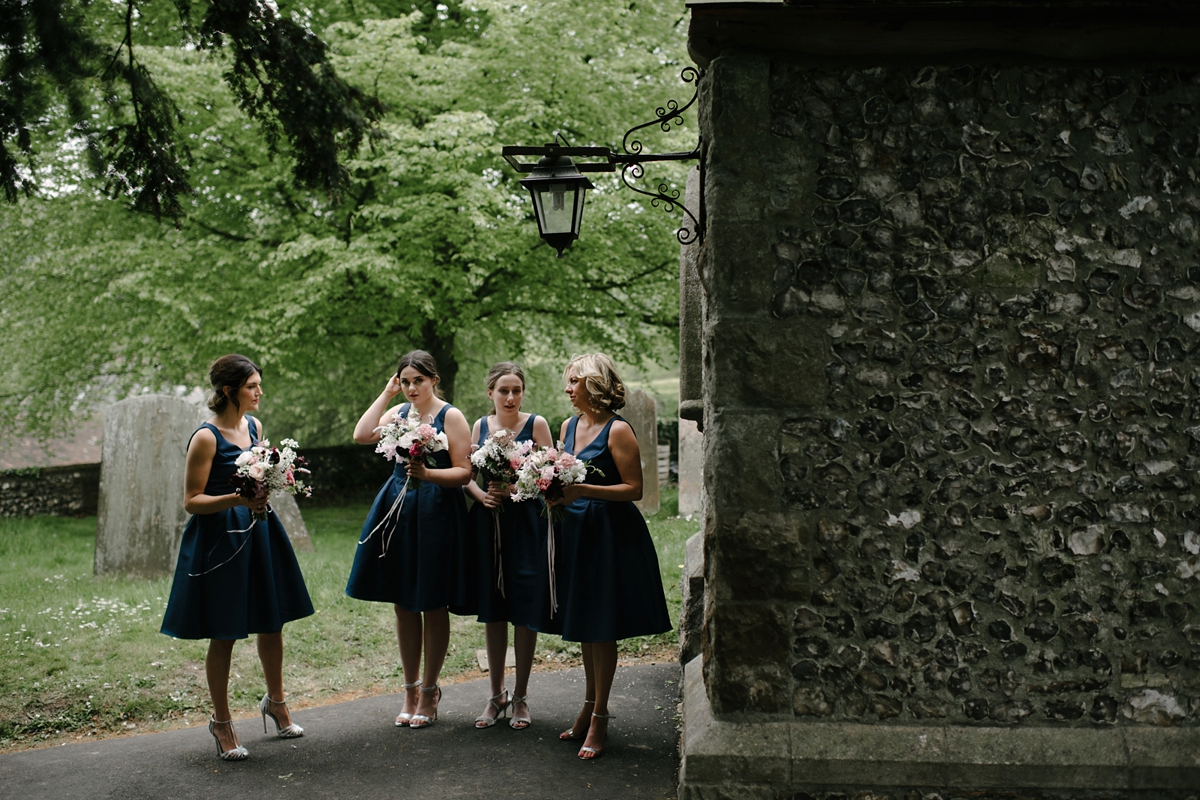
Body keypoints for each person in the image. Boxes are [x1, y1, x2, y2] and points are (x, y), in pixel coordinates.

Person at [161, 354, 315, 761]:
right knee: (225, 631)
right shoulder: (206, 438)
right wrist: (238, 499)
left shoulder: (254, 426)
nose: (259, 392)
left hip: (260, 530)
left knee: (272, 621)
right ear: (229, 390)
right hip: (219, 540)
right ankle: (222, 722)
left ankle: (277, 703)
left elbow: (260, 474)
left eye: (258, 385)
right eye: (252, 386)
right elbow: (192, 501)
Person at [543, 353, 672, 760]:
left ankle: (600, 718)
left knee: (603, 626)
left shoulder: (618, 431)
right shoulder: (568, 426)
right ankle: (587, 706)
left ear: (593, 385)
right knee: (585, 625)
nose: (567, 389)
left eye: (573, 382)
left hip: (610, 535)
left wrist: (584, 492)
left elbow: (634, 489)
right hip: (576, 533)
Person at [345, 350, 471, 729]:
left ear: (433, 379)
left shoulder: (451, 416)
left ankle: (430, 690)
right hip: (398, 507)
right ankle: (410, 688)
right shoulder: (397, 413)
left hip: (436, 512)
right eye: (405, 381)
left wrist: (429, 475)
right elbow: (361, 434)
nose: (412, 387)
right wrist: (386, 394)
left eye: (418, 380)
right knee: (403, 602)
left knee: (431, 602)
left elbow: (464, 473)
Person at [459, 362, 554, 729]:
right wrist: (481, 494)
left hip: (526, 525)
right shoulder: (480, 426)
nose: (511, 397)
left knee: (523, 606)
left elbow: (550, 477)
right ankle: (495, 694)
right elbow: (465, 473)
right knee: (494, 607)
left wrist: (520, 488)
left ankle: (521, 696)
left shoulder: (537, 425)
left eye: (516, 390)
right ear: (490, 393)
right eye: (503, 391)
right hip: (489, 524)